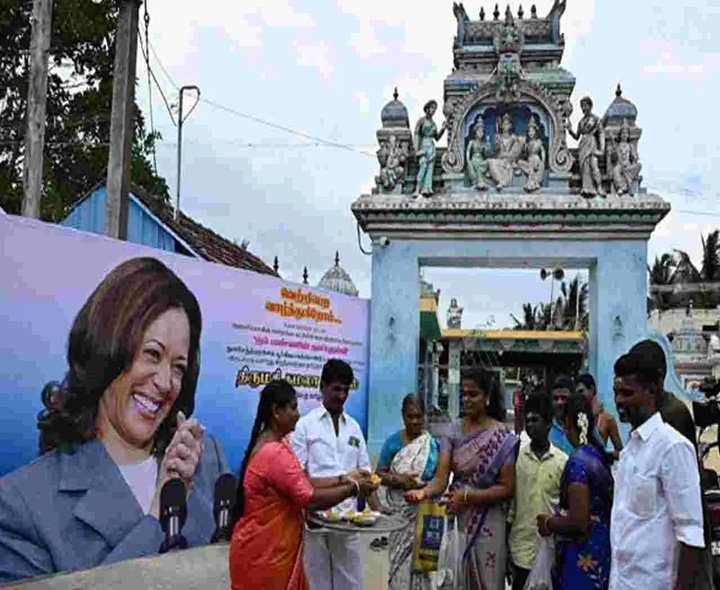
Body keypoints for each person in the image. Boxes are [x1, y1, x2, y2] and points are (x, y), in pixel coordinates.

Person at [0, 257, 229, 583]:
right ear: (106, 347)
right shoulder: (18, 506)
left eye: (178, 366)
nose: (165, 382)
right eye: (152, 354)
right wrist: (157, 518)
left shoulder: (210, 461)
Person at [229, 380, 375, 590]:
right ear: (276, 412)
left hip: (270, 546)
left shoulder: (275, 444)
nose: (298, 414)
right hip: (268, 552)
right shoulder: (274, 453)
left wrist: (344, 479)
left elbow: (300, 483)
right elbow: (309, 498)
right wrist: (354, 489)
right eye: (293, 407)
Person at [406, 368, 519, 590]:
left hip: (488, 520)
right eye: (464, 394)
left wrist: (468, 496)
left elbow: (507, 488)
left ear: (486, 397)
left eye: (473, 394)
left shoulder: (503, 437)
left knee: (487, 581)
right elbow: (441, 479)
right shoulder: (453, 430)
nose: (466, 399)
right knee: (454, 579)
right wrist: (423, 493)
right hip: (457, 517)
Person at [610, 351, 706, 590]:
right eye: (616, 393)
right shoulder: (629, 451)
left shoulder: (672, 447)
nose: (619, 401)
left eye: (627, 393)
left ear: (651, 391)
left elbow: (691, 537)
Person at [290, 359, 378, 590]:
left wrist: (379, 508)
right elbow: (297, 477)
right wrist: (342, 481)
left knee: (351, 584)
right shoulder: (305, 426)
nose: (341, 395)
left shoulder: (354, 428)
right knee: (317, 583)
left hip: (348, 522)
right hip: (315, 521)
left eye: (346, 389)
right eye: (336, 389)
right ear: (322, 387)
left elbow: (366, 473)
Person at [537, 391, 613, 589]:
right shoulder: (598, 456)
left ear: (566, 426)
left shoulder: (577, 462)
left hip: (583, 553)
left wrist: (550, 522)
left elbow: (580, 522)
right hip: (603, 547)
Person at [376, 394, 440, 590]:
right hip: (400, 514)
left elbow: (439, 478)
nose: (414, 421)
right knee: (399, 564)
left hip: (427, 512)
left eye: (418, 416)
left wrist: (423, 489)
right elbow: (377, 474)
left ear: (425, 417)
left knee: (425, 568)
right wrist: (399, 480)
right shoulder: (392, 443)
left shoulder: (432, 445)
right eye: (410, 416)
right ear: (402, 416)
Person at [508, 393, 567, 590]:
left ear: (549, 424)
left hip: (550, 551)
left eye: (536, 420)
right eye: (528, 421)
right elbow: (511, 505)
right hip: (521, 550)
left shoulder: (562, 462)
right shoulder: (517, 458)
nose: (530, 425)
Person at [576, 373, 622, 454]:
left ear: (592, 389)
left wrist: (605, 455)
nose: (579, 395)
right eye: (577, 393)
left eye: (581, 391)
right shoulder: (577, 416)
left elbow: (621, 452)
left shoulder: (607, 419)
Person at [549, 376, 576, 456]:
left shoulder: (583, 424)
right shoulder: (546, 428)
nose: (559, 402)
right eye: (555, 398)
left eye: (564, 398)